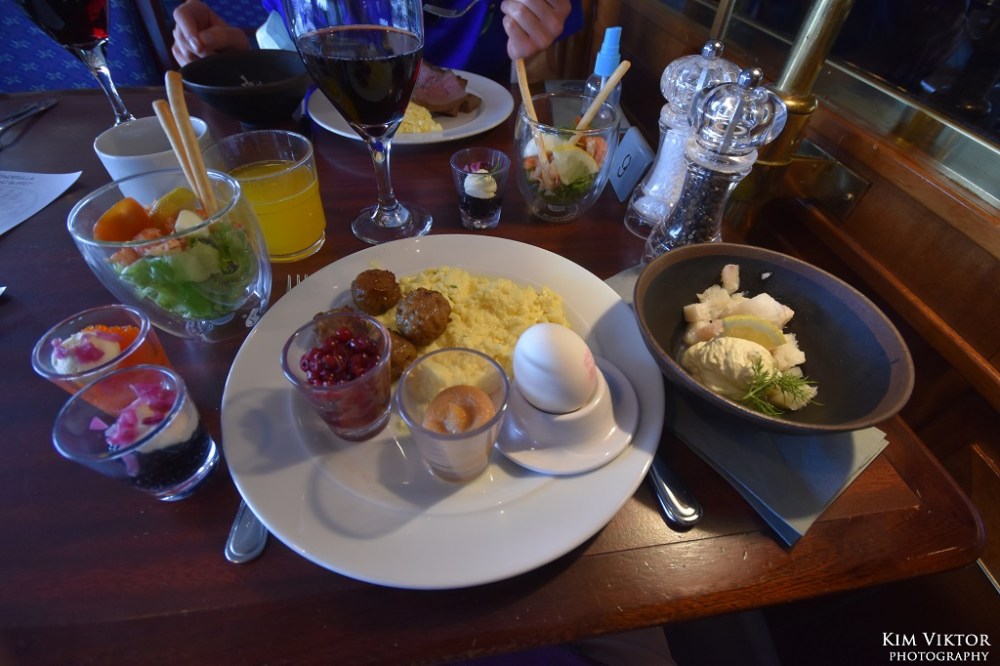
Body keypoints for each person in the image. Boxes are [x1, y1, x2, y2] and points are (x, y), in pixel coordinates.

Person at [170, 0, 582, 83]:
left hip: (472, 163)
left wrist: (537, 47)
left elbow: (547, 79)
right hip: (334, 159)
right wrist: (242, 64)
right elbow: (287, 49)